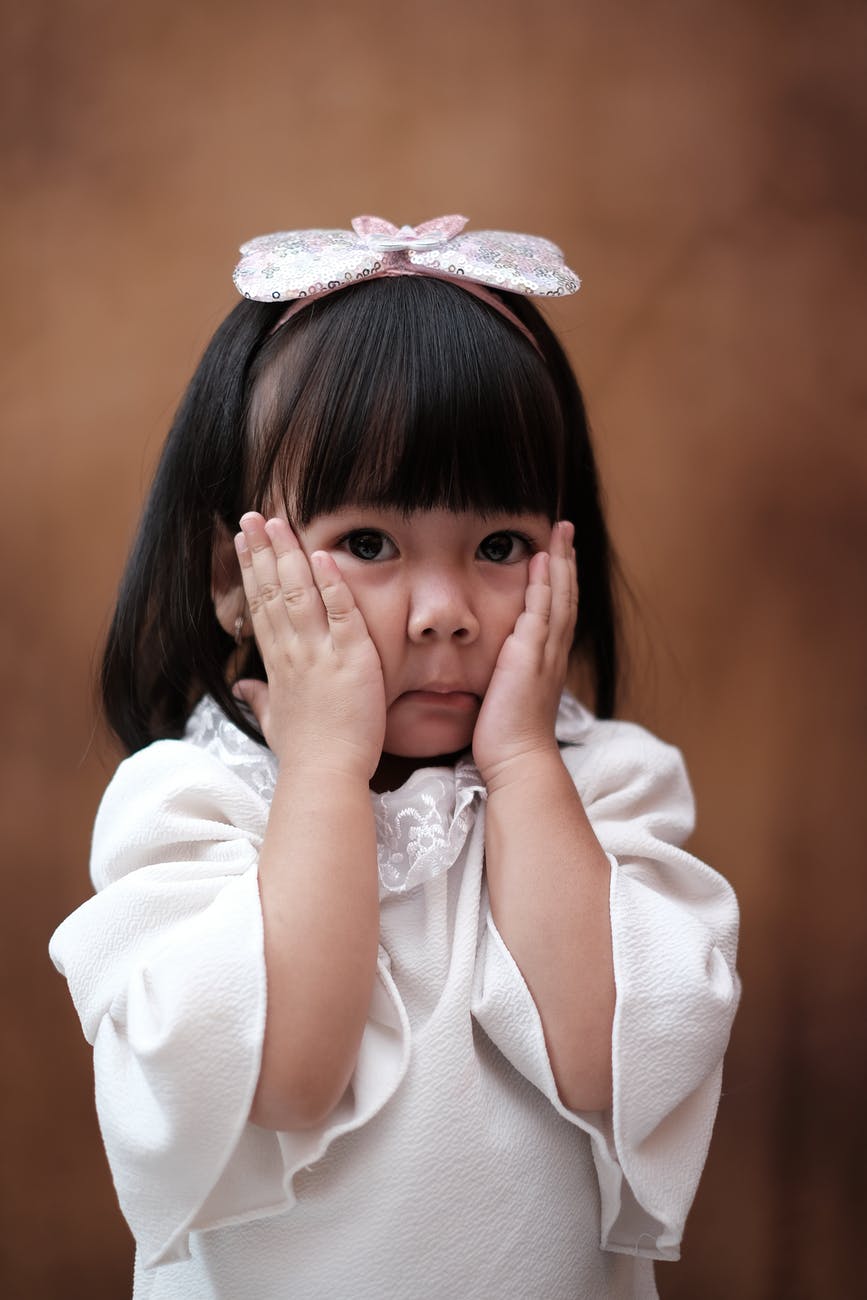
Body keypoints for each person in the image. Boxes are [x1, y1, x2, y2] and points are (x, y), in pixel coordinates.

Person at [50, 214, 740, 1299]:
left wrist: (520, 762)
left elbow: (606, 1057)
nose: (443, 611)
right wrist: (323, 770)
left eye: (500, 547)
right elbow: (284, 1077)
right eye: (369, 544)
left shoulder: (606, 786)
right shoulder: (196, 803)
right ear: (234, 579)